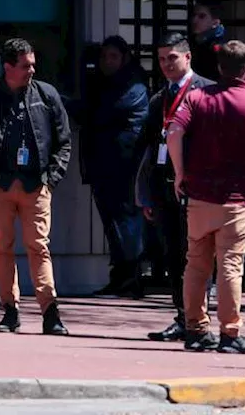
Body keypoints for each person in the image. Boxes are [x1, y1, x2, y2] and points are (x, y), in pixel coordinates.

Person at [166, 40, 245, 354]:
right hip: (236, 200)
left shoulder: (196, 98)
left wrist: (180, 173)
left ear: (220, 68)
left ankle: (195, 329)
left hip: (199, 196)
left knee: (196, 264)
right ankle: (229, 334)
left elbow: (173, 132)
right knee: (230, 266)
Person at [0, 38, 72, 336]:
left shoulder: (46, 94)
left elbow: (63, 140)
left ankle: (50, 312)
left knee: (39, 246)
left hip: (36, 184)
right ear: (8, 66)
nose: (31, 70)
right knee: (2, 248)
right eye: (25, 65)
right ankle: (10, 310)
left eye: (33, 64)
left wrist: (51, 178)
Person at [137, 32, 214, 342]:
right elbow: (147, 146)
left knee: (196, 255)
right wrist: (146, 193)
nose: (167, 64)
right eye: (162, 59)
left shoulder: (207, 92)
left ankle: (201, 318)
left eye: (172, 58)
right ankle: (182, 316)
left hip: (196, 187)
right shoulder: (159, 98)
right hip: (163, 186)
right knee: (172, 254)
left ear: (188, 57)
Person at [78, 36, 149, 297]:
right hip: (105, 163)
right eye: (104, 56)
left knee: (125, 220)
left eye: (113, 57)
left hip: (123, 165)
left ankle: (132, 277)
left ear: (125, 58)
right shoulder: (105, 84)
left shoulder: (132, 85)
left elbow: (98, 113)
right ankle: (121, 276)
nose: (107, 62)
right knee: (113, 222)